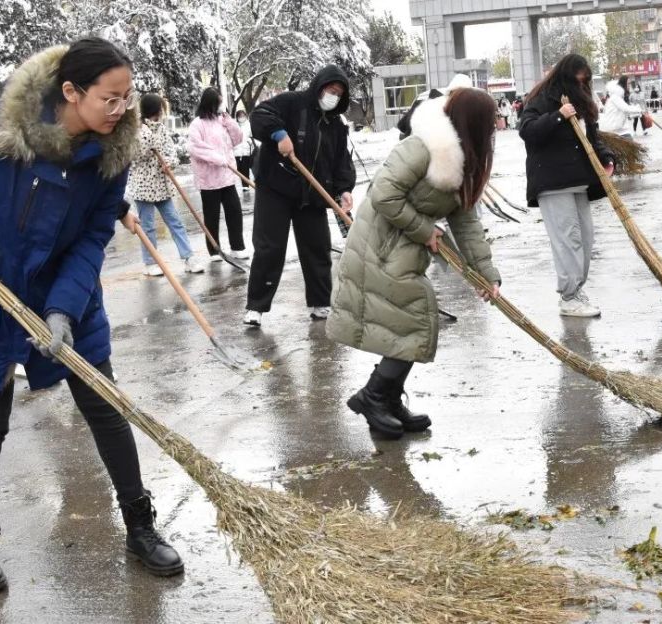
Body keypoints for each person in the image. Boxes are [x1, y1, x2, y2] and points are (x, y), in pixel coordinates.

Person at [0, 38, 184, 595]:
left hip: (67, 293)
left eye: (127, 97)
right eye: (110, 97)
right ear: (72, 92)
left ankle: (140, 524)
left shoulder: (110, 156)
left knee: (105, 408)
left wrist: (62, 309)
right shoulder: (7, 127)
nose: (121, 109)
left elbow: (92, 240)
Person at [328, 88, 501, 439]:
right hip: (378, 244)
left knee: (411, 321)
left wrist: (486, 275)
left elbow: (465, 222)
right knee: (415, 316)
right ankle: (373, 396)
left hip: (404, 248)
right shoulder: (422, 147)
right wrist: (424, 229)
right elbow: (383, 195)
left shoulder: (464, 160)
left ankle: (386, 399)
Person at [242, 65, 356, 327]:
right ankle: (256, 307)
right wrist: (278, 133)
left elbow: (341, 163)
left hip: (312, 193)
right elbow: (260, 114)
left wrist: (344, 189)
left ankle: (320, 303)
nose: (333, 96)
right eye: (330, 90)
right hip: (276, 187)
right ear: (319, 85)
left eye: (338, 93)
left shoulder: (336, 126)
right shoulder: (292, 103)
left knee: (317, 247)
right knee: (270, 247)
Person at [519, 54, 615, 318]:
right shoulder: (541, 98)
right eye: (578, 79)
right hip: (552, 181)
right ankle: (569, 297)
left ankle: (576, 290)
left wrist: (606, 157)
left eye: (585, 79)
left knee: (585, 238)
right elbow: (527, 130)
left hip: (579, 182)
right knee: (568, 239)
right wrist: (558, 116)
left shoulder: (582, 100)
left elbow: (592, 136)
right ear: (566, 75)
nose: (582, 83)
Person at [129, 93, 204, 275]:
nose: (162, 113)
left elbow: (171, 153)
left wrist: (169, 162)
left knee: (175, 222)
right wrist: (147, 134)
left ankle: (188, 258)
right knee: (147, 226)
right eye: (160, 109)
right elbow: (136, 155)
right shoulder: (136, 130)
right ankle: (150, 263)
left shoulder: (162, 129)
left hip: (163, 186)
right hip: (143, 186)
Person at [187, 87, 247, 262]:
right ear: (211, 103)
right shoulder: (197, 124)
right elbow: (195, 147)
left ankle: (237, 246)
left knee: (234, 211)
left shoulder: (223, 121)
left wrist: (229, 121)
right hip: (209, 179)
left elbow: (238, 139)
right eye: (219, 102)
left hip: (227, 177)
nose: (222, 105)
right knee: (212, 216)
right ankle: (214, 250)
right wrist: (217, 158)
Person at [233, 108, 256, 201]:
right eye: (239, 116)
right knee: (239, 169)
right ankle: (244, 184)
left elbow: (252, 135)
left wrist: (249, 142)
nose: (241, 118)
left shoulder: (249, 125)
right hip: (237, 151)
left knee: (246, 168)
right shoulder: (234, 126)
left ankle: (246, 185)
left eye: (243, 116)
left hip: (247, 151)